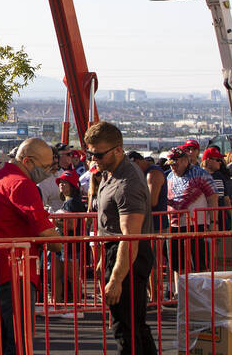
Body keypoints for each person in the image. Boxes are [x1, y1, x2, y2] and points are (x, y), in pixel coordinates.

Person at [0, 138, 58, 355]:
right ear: (28, 161)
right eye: (46, 167)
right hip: (14, 271)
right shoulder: (22, 184)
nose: (49, 172)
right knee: (17, 340)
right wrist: (59, 242)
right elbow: (44, 230)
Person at [88, 121, 156, 355]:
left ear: (117, 150)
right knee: (134, 324)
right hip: (117, 251)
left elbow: (131, 236)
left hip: (127, 253)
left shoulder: (127, 182)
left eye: (98, 154)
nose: (94, 159)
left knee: (125, 326)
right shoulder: (110, 174)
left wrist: (116, 278)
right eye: (91, 153)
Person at [165, 146, 216, 293]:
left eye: (175, 164)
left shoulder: (201, 174)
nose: (173, 167)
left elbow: (212, 197)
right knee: (176, 262)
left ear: (184, 161)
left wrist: (213, 222)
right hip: (175, 225)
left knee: (201, 261)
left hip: (197, 224)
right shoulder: (169, 177)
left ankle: (203, 293)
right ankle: (180, 292)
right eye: (171, 165)